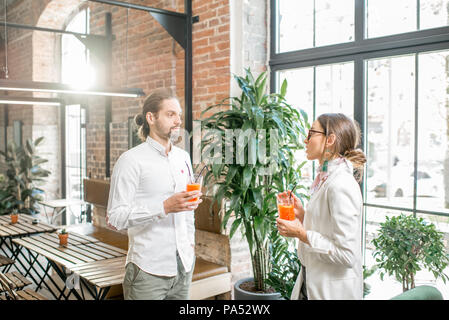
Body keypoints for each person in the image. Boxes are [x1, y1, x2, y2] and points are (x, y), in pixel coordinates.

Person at [106, 88, 202, 300]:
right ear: (151, 118)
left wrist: (190, 244)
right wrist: (164, 207)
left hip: (184, 266)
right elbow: (115, 217)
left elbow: (187, 209)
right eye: (170, 114)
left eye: (179, 115)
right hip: (147, 270)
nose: (178, 121)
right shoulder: (130, 160)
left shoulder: (183, 157)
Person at [276, 113, 366, 300]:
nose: (305, 139)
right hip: (311, 282)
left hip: (332, 292)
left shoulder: (341, 184)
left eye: (311, 133)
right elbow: (327, 229)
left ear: (330, 140)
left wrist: (301, 233)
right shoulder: (324, 179)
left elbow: (346, 255)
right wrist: (303, 216)